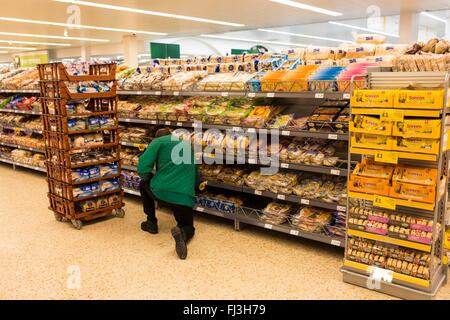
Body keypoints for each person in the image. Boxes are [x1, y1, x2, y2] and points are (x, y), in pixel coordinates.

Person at [137, 128, 200, 260]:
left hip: (162, 191)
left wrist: (149, 176)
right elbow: (197, 176)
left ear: (156, 137)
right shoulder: (186, 144)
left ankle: (151, 223)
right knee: (189, 226)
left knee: (143, 184)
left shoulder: (157, 142)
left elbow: (143, 168)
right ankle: (182, 233)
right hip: (184, 196)